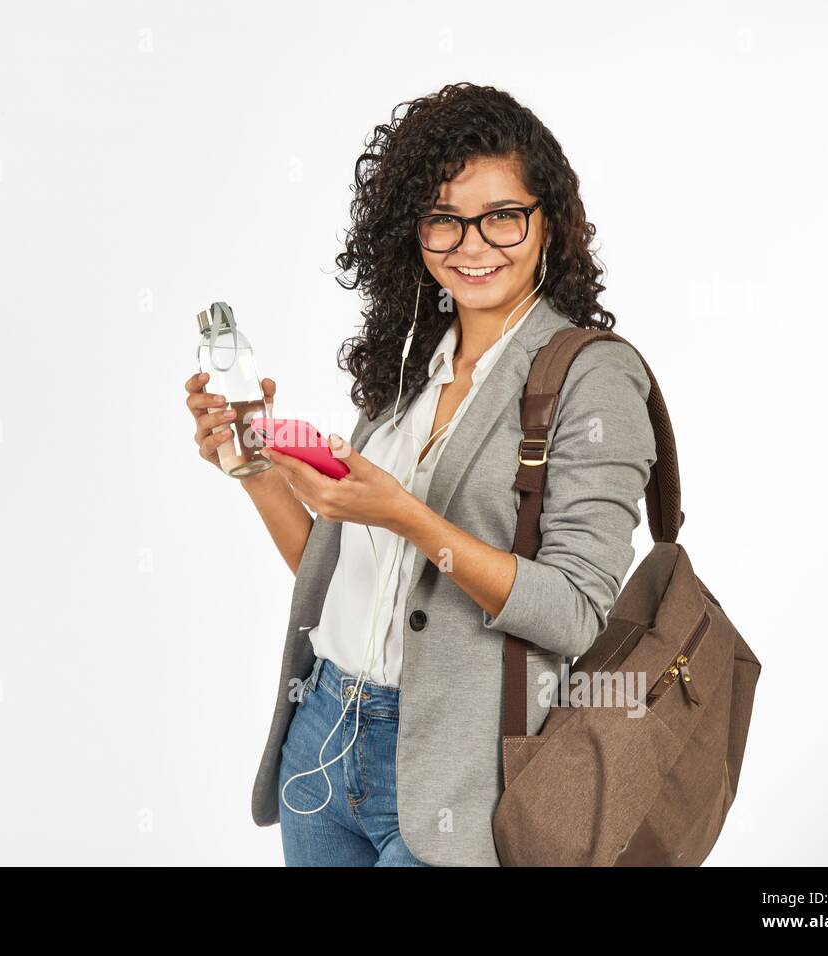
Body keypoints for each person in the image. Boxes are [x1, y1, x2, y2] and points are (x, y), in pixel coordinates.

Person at [184, 82, 656, 866]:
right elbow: (334, 572)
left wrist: (406, 514)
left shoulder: (591, 377)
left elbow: (575, 613)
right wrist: (257, 470)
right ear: (412, 231)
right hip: (322, 737)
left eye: (502, 215)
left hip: (458, 774)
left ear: (550, 223)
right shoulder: (412, 365)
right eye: (444, 219)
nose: (473, 246)